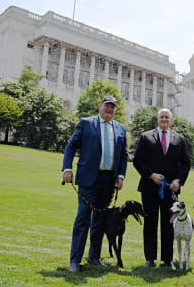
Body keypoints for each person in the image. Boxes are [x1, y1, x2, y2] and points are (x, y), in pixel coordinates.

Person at [62, 96, 128, 273]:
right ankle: (75, 260)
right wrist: (67, 168)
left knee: (99, 220)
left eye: (112, 107)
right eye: (107, 106)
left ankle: (94, 257)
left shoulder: (121, 129)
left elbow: (123, 155)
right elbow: (71, 146)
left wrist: (120, 175)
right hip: (88, 180)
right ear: (100, 107)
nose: (109, 109)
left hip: (108, 182)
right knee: (83, 219)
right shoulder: (86, 123)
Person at [133, 108, 191, 268]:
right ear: (157, 119)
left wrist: (179, 181)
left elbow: (186, 163)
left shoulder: (180, 139)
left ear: (171, 120)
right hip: (149, 188)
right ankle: (150, 259)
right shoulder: (146, 137)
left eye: (167, 117)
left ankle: (167, 259)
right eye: (161, 117)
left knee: (169, 224)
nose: (164, 119)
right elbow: (137, 160)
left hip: (171, 190)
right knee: (150, 223)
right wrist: (151, 175)